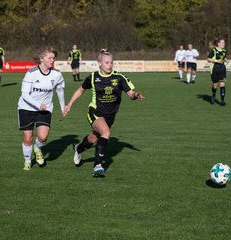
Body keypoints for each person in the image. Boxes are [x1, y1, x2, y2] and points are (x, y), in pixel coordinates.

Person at [64, 49, 145, 177]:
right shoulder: (93, 77)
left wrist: (136, 95)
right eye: (106, 62)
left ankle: (79, 148)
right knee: (106, 133)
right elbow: (80, 90)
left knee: (93, 138)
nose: (109, 65)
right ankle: (97, 165)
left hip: (110, 116)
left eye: (111, 62)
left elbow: (131, 94)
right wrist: (69, 104)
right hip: (95, 111)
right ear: (99, 63)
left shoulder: (119, 78)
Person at [17, 46, 66, 170]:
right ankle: (27, 161)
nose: (52, 60)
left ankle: (37, 148)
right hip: (26, 108)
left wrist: (62, 106)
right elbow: (24, 94)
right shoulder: (31, 73)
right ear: (41, 58)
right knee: (28, 138)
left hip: (45, 109)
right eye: (49, 58)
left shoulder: (57, 74)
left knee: (43, 137)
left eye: (53, 58)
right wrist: (38, 105)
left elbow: (59, 90)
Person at [207, 38, 229, 105]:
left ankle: (222, 100)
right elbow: (208, 59)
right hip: (215, 69)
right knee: (215, 84)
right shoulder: (213, 50)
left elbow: (223, 57)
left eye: (224, 43)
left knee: (222, 84)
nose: (224, 44)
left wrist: (226, 60)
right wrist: (216, 61)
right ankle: (213, 96)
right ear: (218, 44)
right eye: (222, 43)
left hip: (222, 69)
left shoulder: (224, 51)